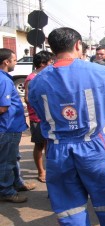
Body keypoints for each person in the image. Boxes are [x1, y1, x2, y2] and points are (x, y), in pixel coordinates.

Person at [28, 27, 105, 226]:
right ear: (78, 45)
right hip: (96, 147)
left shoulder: (36, 81)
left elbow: (39, 115)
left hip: (58, 151)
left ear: (52, 48)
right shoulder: (100, 72)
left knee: (70, 211)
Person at [0, 48, 29, 203]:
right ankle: (6, 191)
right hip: (7, 128)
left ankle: (17, 183)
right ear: (6, 61)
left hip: (12, 127)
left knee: (14, 158)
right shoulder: (4, 80)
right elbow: (3, 107)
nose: (15, 63)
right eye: (15, 60)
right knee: (6, 161)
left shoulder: (5, 78)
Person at [24, 50, 55, 183]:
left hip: (48, 117)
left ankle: (50, 170)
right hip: (37, 118)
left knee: (49, 144)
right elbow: (27, 99)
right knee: (39, 145)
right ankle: (41, 171)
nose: (52, 64)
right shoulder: (32, 78)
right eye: (50, 62)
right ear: (42, 63)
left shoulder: (46, 76)